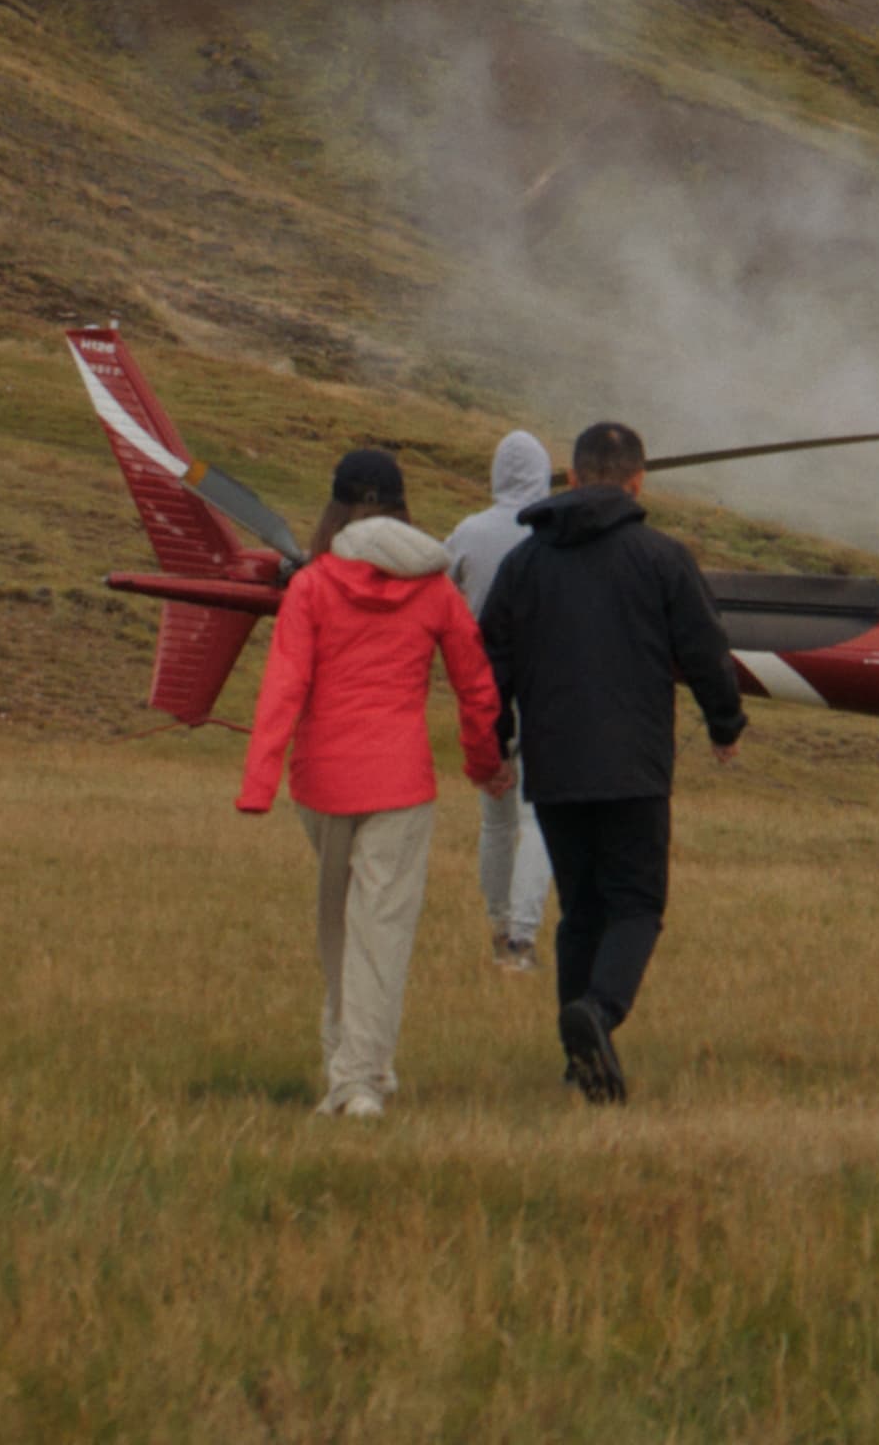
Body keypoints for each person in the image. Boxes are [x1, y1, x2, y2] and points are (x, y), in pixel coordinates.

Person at [475, 420, 748, 1105]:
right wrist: (725, 723)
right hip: (634, 767)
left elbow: (489, 664)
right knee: (637, 904)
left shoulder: (524, 564)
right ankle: (598, 1012)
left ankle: (580, 1062)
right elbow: (707, 649)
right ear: (638, 483)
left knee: (581, 912)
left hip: (554, 768)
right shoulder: (663, 558)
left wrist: (495, 743)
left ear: (571, 478)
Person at [235, 448, 506, 1118]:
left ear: (336, 509)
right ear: (403, 507)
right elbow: (476, 686)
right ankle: (360, 1076)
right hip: (401, 782)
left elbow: (283, 689)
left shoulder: (313, 586)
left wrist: (258, 784)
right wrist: (483, 764)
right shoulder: (435, 588)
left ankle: (354, 1069)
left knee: (338, 925)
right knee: (381, 928)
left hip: (322, 781)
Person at [441, 430, 558, 975]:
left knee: (496, 821)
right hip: (544, 689)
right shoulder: (551, 532)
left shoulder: (468, 531)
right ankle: (521, 939)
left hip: (483, 689)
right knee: (537, 819)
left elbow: (434, 583)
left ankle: (497, 925)